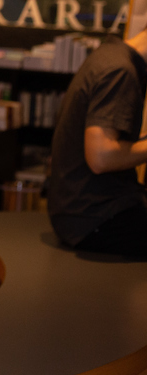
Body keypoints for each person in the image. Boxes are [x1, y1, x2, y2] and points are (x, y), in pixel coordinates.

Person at [48, 30, 147, 258]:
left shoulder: (109, 55)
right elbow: (100, 157)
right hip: (95, 218)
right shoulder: (121, 71)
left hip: (77, 211)